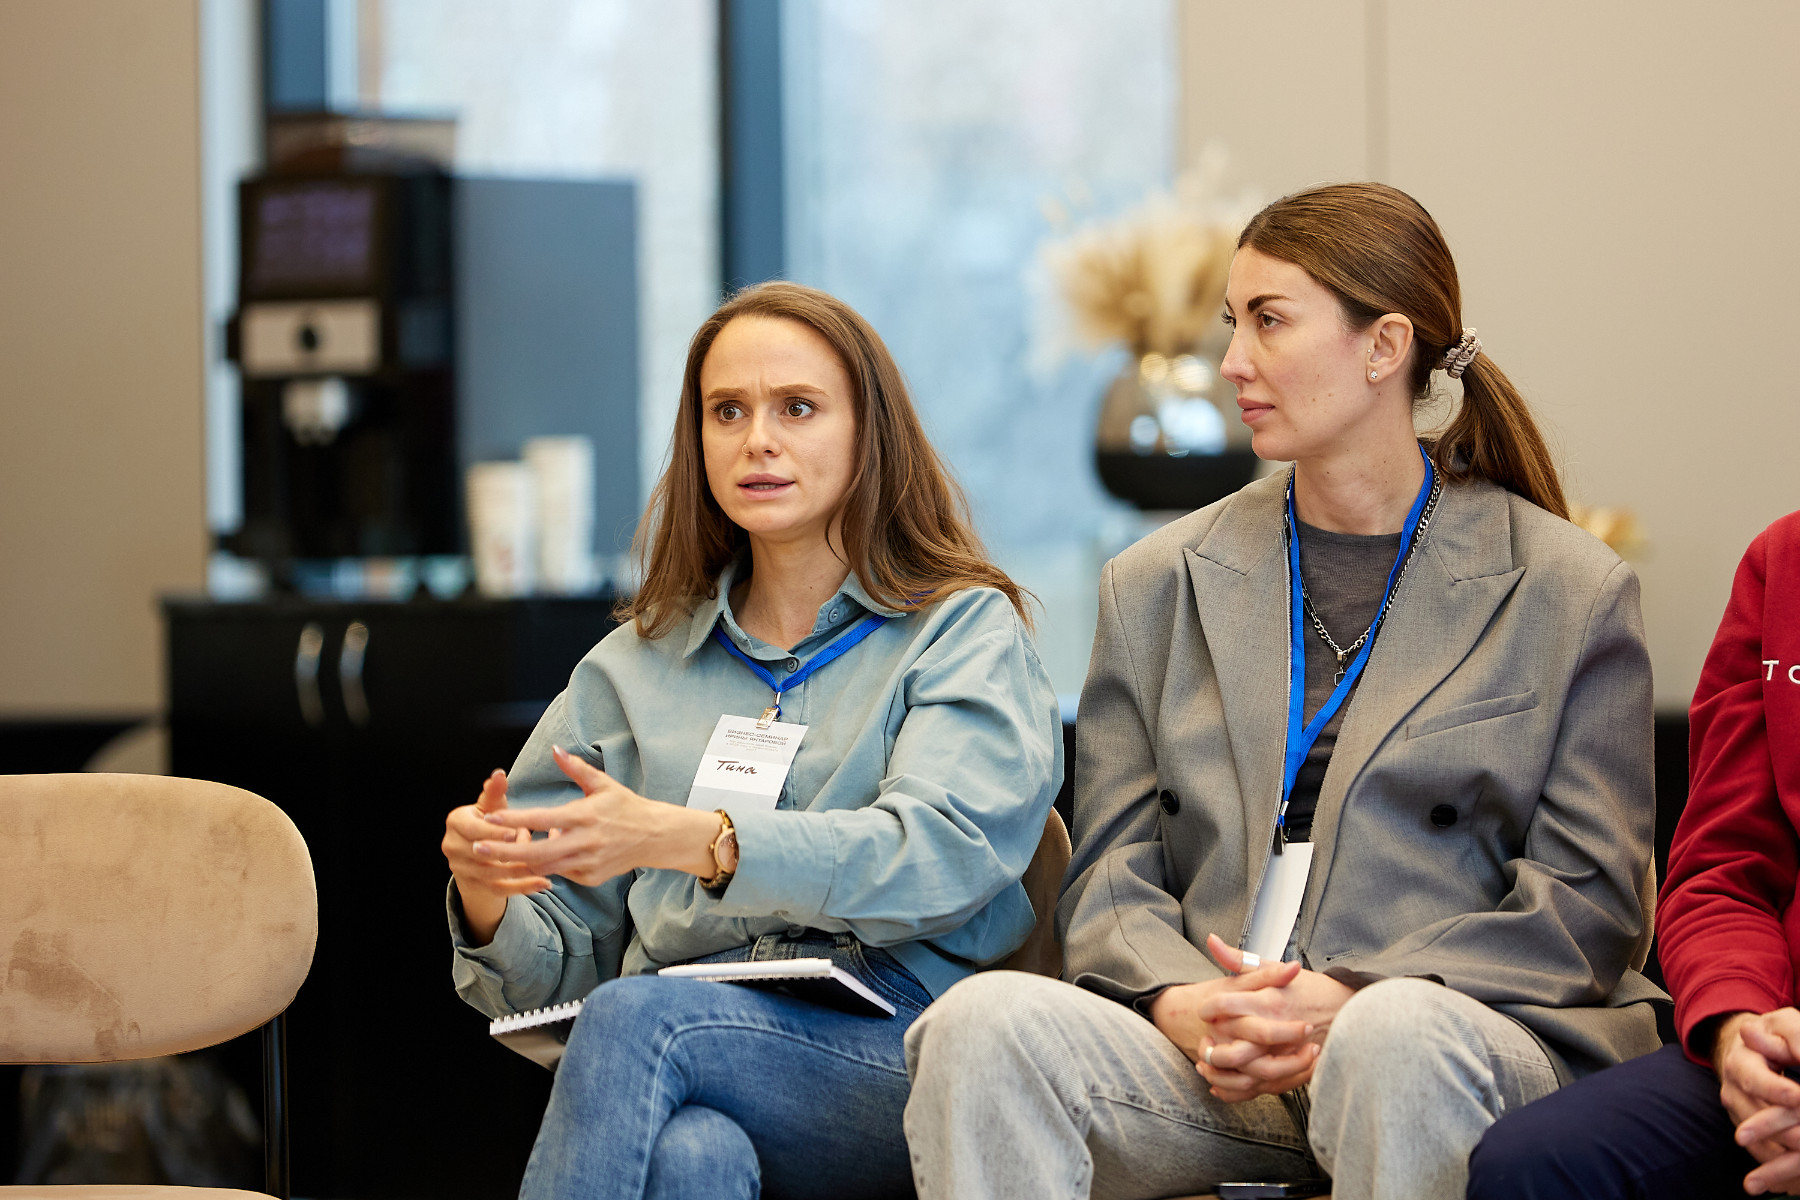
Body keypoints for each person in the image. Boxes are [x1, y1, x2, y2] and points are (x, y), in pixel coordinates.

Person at [902, 182, 1664, 1200]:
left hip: (1462, 1031)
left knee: (1393, 1037)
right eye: (1233, 321)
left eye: (1268, 320)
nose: (1232, 361)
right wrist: (1181, 1000)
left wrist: (1352, 997)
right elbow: (1112, 870)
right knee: (980, 1024)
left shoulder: (1569, 590)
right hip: (1219, 1043)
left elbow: (1585, 903)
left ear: (1384, 346)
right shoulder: (1156, 583)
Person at [439, 281, 1062, 1200]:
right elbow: (550, 975)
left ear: (869, 434)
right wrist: (490, 896)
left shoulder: (960, 631)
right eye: (726, 411)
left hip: (903, 1047)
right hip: (684, 1032)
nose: (756, 440)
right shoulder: (630, 668)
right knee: (692, 1157)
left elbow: (940, 855)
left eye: (797, 408)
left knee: (636, 1019)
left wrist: (704, 840)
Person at [1467, 510, 1800, 1199]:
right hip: (1780, 1041)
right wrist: (1738, 1031)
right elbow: (1721, 876)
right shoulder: (1785, 560)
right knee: (1533, 1164)